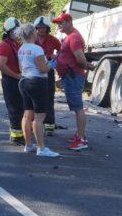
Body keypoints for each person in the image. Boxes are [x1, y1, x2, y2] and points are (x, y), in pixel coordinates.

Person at [14, 24, 60, 157]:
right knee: (39, 117)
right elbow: (42, 69)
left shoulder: (21, 49)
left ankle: (28, 145)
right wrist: (52, 63)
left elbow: (21, 67)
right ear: (32, 33)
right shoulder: (37, 49)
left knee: (27, 115)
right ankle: (41, 148)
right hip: (37, 82)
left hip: (24, 81)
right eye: (35, 30)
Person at [53, 12, 94, 151]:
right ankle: (79, 135)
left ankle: (82, 140)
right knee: (76, 107)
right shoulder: (69, 37)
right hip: (70, 75)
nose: (58, 25)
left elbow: (80, 59)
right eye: (58, 23)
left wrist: (87, 65)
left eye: (61, 22)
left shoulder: (74, 38)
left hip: (73, 76)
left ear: (69, 22)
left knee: (78, 108)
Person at [0, 17, 24, 146]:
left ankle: (20, 133)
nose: (18, 33)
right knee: (14, 109)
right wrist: (16, 76)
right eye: (15, 31)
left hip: (18, 79)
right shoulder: (4, 45)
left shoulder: (16, 44)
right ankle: (16, 137)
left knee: (21, 107)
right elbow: (1, 65)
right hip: (11, 80)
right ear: (9, 32)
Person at [33, 16, 62, 134]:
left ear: (48, 28)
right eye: (39, 28)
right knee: (34, 98)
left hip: (48, 71)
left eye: (44, 28)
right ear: (36, 29)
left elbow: (62, 50)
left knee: (49, 97)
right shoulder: (32, 39)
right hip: (35, 71)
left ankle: (49, 125)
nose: (41, 30)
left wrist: (56, 57)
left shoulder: (53, 39)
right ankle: (35, 123)